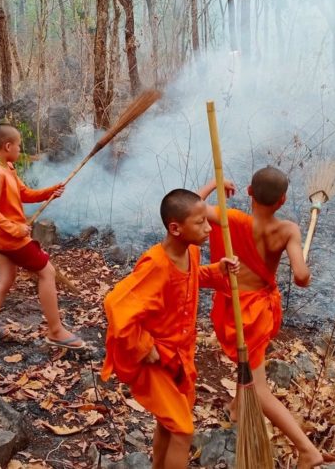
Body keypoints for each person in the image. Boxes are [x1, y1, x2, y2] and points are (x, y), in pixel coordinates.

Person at [198, 168, 335, 469]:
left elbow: (192, 207)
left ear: (248, 191)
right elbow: (301, 276)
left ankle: (307, 450)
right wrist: (305, 273)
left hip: (235, 303)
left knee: (259, 390)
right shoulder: (288, 230)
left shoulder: (228, 217)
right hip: (257, 311)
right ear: (283, 200)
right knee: (247, 360)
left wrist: (213, 184)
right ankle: (237, 408)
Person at [101, 189, 238, 469]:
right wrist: (143, 345)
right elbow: (115, 303)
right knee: (183, 430)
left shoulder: (192, 253)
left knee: (169, 423)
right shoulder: (156, 264)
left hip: (180, 356)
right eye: (200, 222)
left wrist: (217, 271)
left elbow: (191, 278)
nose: (208, 228)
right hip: (157, 360)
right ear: (175, 228)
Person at [0, 124, 84, 348]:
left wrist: (49, 192)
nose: (20, 149)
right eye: (18, 145)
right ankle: (55, 330)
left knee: (5, 280)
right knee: (47, 271)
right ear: (7, 146)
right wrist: (14, 229)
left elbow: (24, 193)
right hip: (9, 239)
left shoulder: (8, 167)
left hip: (3, 238)